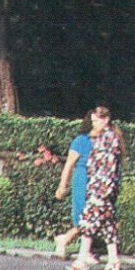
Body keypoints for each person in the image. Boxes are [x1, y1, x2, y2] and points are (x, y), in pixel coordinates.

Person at [69, 106, 123, 270]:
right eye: (93, 121)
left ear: (106, 120)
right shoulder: (101, 137)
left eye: (97, 121)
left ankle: (81, 260)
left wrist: (103, 190)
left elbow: (108, 166)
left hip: (102, 188)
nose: (94, 124)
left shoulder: (108, 138)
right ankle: (113, 261)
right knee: (107, 225)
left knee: (88, 221)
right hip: (99, 187)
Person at [53, 112, 97, 261]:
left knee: (94, 215)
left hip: (97, 182)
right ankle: (73, 244)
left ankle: (65, 240)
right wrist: (62, 186)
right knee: (84, 216)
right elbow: (69, 165)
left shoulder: (103, 141)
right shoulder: (80, 141)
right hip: (82, 181)